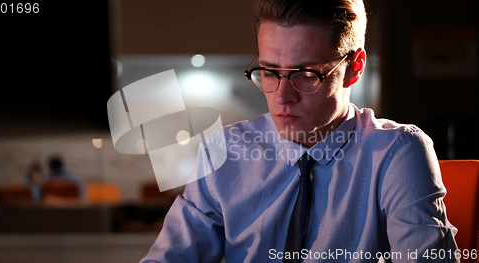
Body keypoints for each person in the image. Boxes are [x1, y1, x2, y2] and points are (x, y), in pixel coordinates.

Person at [141, 0, 458, 262]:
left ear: (355, 67)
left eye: (306, 74)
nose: (281, 96)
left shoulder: (395, 152)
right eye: (268, 72)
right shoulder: (222, 151)